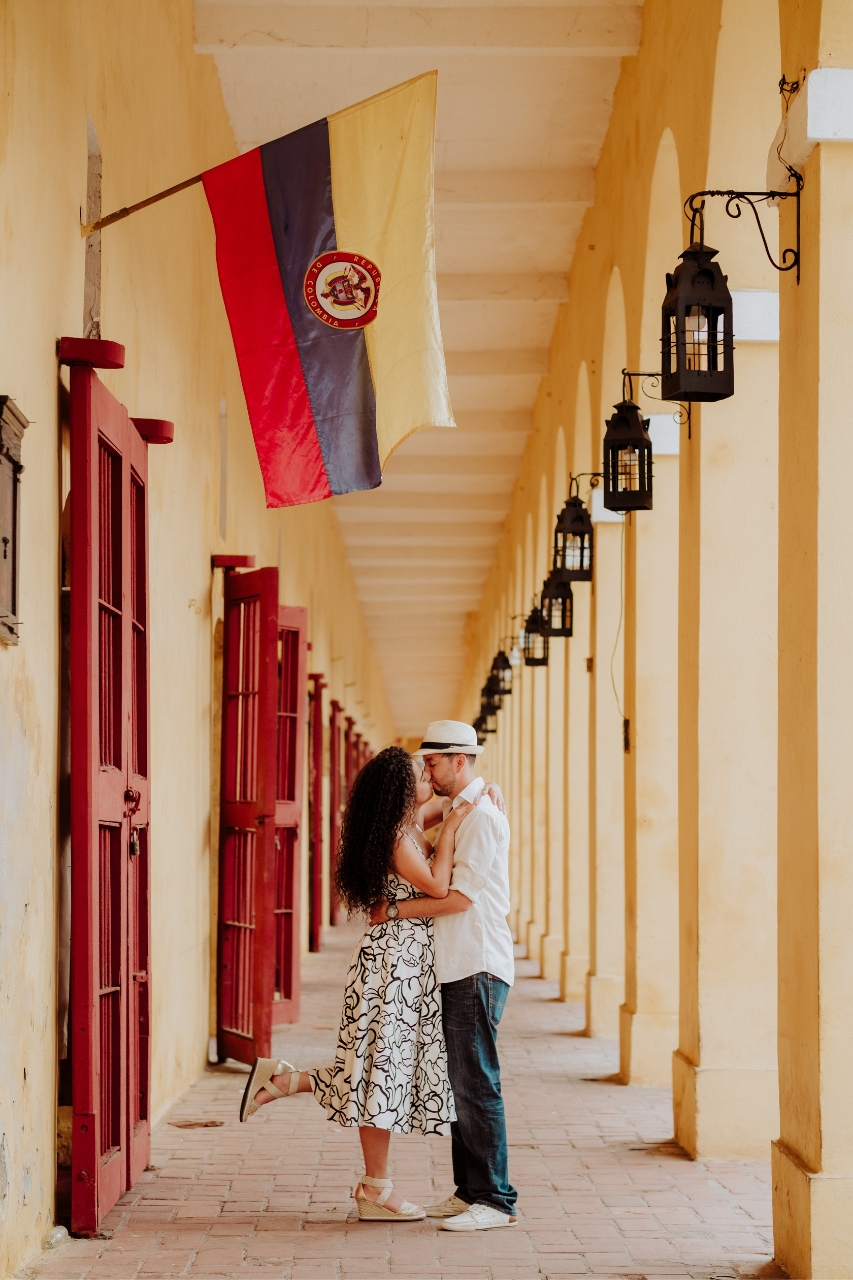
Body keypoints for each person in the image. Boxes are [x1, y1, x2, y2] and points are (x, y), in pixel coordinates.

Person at [238, 745, 502, 1222]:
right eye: (420, 772)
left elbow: (457, 798)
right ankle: (375, 1188)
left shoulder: (406, 821)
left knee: (380, 1067)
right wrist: (453, 832)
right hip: (392, 964)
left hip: (405, 962)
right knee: (379, 1070)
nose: (429, 776)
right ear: (401, 791)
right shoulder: (398, 837)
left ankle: (284, 1081)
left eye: (431, 767)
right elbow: (442, 887)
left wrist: (485, 792)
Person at [370, 720, 517, 1231]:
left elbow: (457, 899)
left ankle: (496, 1200)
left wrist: (392, 910)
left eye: (432, 762)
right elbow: (406, 823)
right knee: (462, 1081)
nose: (426, 772)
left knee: (477, 1082)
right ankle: (469, 1191)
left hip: (476, 960)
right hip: (456, 963)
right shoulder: (460, 808)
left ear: (460, 761)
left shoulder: (478, 817)